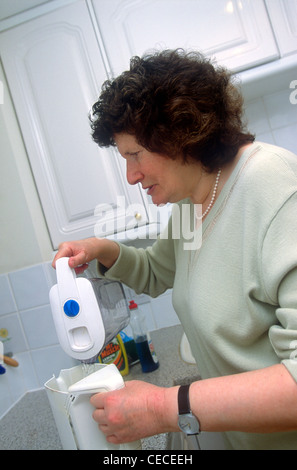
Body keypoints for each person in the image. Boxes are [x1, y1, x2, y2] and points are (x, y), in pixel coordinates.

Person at [52, 49, 297, 450]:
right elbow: (156, 270)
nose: (131, 176)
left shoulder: (274, 187)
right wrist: (100, 249)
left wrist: (166, 406)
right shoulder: (192, 199)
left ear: (179, 132)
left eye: (134, 155)